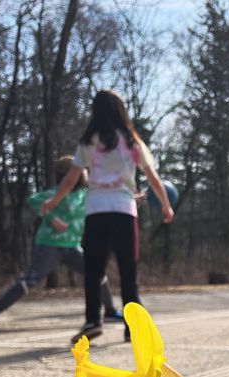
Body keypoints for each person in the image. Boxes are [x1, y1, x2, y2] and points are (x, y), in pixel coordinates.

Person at [43, 89, 173, 344]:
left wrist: (54, 200)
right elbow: (153, 178)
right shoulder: (133, 142)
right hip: (124, 211)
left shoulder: (89, 141)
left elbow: (72, 177)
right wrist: (166, 206)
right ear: (120, 110)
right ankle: (132, 326)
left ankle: (93, 320)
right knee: (128, 270)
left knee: (94, 270)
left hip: (97, 212)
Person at [0, 156, 120, 329]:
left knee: (98, 273)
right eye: (84, 171)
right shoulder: (56, 194)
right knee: (28, 281)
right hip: (49, 245)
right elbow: (33, 200)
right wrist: (51, 217)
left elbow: (110, 199)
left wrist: (133, 199)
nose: (87, 173)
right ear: (72, 175)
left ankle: (109, 311)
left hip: (72, 247)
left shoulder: (86, 195)